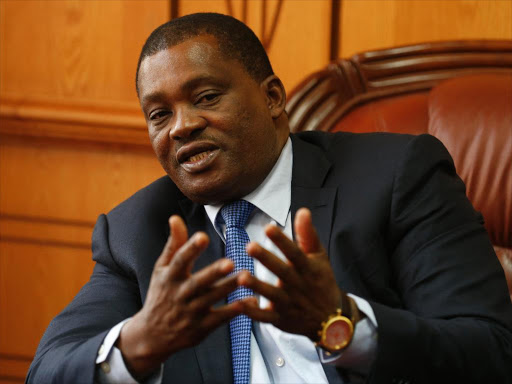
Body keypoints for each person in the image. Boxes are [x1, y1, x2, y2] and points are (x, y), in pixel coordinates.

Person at [27, 13, 512, 384]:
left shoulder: (396, 176)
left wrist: (340, 323)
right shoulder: (138, 230)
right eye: (158, 114)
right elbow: (47, 369)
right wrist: (138, 343)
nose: (181, 126)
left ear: (273, 98)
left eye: (207, 96)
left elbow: (491, 351)